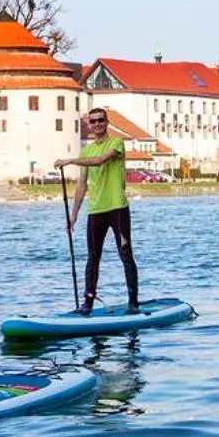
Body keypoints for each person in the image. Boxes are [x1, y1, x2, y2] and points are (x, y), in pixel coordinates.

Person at [56, 106, 139, 316]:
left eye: (100, 120)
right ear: (89, 124)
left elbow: (100, 160)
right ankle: (88, 303)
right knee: (93, 258)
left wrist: (70, 160)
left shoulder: (116, 144)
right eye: (92, 121)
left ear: (106, 122)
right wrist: (73, 215)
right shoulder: (86, 151)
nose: (97, 124)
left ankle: (133, 302)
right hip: (96, 211)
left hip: (117, 208)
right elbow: (82, 185)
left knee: (125, 254)